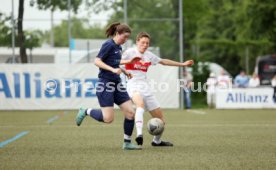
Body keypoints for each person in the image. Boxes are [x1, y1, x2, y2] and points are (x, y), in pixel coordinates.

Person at [75, 22, 141, 150]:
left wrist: (125, 70)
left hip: (117, 83)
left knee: (130, 112)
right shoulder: (108, 45)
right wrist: (112, 69)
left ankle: (127, 143)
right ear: (117, 33)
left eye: (127, 38)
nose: (125, 40)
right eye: (124, 37)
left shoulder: (119, 47)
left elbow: (115, 62)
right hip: (105, 84)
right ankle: (86, 111)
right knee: (108, 119)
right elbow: (97, 61)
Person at [121, 32, 194, 146]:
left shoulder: (149, 55)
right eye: (143, 42)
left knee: (161, 121)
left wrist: (183, 64)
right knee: (139, 105)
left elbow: (164, 61)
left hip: (145, 87)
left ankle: (156, 141)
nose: (145, 45)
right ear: (137, 42)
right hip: (132, 85)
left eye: (147, 43)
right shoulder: (129, 52)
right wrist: (128, 62)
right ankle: (139, 135)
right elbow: (117, 61)